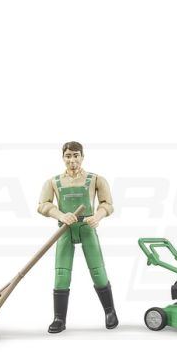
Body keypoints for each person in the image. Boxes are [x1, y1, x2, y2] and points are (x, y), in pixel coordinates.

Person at [37, 141, 118, 333]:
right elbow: (43, 205)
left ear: (82, 156)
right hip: (65, 229)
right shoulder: (53, 182)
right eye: (68, 156)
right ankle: (59, 318)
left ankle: (110, 311)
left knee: (98, 271)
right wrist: (60, 215)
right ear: (63, 158)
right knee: (61, 273)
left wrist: (97, 216)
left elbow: (107, 204)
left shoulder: (96, 179)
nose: (72, 160)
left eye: (76, 155)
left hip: (87, 228)